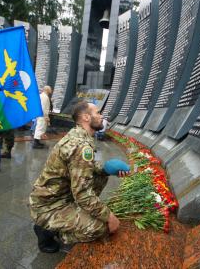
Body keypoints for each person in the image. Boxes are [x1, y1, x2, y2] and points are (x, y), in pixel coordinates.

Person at [29, 100, 130, 253]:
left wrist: (106, 168)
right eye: (97, 112)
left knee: (100, 176)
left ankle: (69, 217)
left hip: (60, 197)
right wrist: (109, 217)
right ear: (86, 118)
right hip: (49, 206)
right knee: (100, 228)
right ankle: (48, 230)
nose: (102, 116)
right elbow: (82, 194)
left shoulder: (78, 135)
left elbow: (84, 170)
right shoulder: (81, 146)